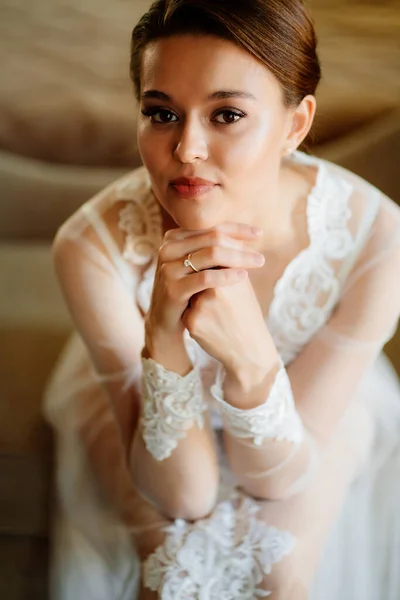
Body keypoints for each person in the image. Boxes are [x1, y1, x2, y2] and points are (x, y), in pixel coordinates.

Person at [43, 0, 400, 598]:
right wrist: (163, 336)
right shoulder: (91, 246)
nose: (186, 150)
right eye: (161, 114)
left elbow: (276, 480)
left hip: (317, 399)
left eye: (227, 114)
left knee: (280, 577)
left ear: (295, 125)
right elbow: (184, 494)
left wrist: (252, 358)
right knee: (172, 576)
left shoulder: (379, 241)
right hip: (136, 401)